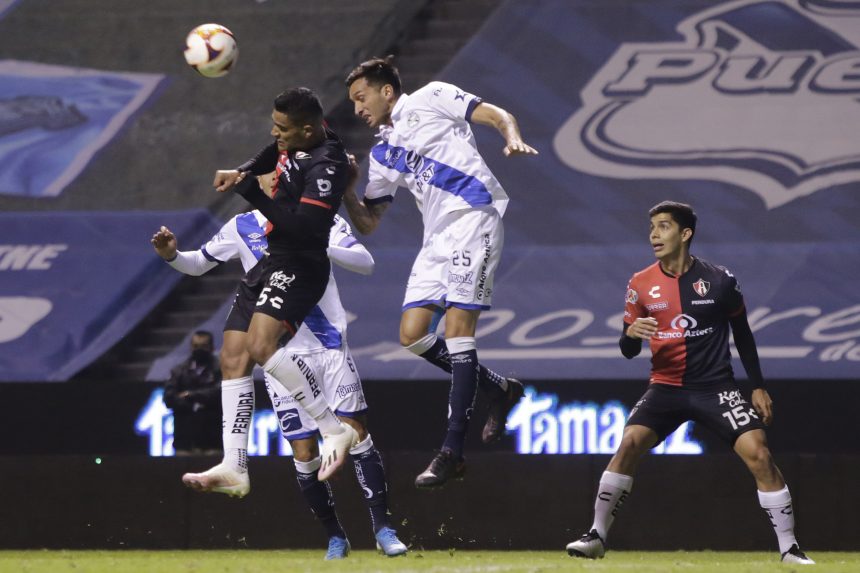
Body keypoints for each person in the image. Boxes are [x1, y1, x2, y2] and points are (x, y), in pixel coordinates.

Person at [565, 201, 813, 565]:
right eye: (651, 227)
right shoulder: (640, 283)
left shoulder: (720, 280)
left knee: (760, 454)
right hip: (665, 387)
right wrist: (631, 333)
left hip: (716, 387)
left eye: (663, 227)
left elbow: (742, 333)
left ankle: (789, 549)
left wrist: (757, 386)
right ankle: (597, 536)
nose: (654, 234)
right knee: (629, 443)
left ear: (685, 234)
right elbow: (628, 349)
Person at [151, 206, 408, 558]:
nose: (277, 176)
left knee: (358, 436)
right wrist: (171, 255)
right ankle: (335, 536)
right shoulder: (242, 225)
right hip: (280, 359)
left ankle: (383, 528)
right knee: (304, 453)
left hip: (329, 349)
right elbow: (198, 263)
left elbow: (365, 262)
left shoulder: (319, 218)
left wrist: (316, 245)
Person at [343, 57, 537, 488]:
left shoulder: (432, 96)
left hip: (473, 216)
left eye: (361, 97)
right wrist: (347, 191)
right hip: (436, 240)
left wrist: (512, 137)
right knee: (412, 336)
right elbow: (370, 222)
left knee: (457, 332)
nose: (357, 108)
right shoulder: (383, 152)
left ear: (387, 91)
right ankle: (500, 389)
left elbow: (494, 114)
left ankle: (451, 451)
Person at [208, 87, 359, 482]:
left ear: (309, 130)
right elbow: (272, 152)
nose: (276, 135)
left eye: (283, 129)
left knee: (261, 346)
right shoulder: (302, 137)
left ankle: (333, 429)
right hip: (274, 258)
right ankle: (235, 466)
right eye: (274, 126)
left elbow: (306, 230)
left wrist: (253, 193)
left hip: (300, 262)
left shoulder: (328, 165)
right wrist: (242, 170)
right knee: (233, 355)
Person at [162, 330, 221, 456]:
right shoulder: (179, 371)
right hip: (185, 438)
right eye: (195, 346)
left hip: (212, 439)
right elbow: (169, 398)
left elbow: (220, 393)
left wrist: (190, 395)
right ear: (190, 347)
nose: (199, 350)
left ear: (211, 348)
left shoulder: (220, 370)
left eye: (203, 346)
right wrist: (194, 404)